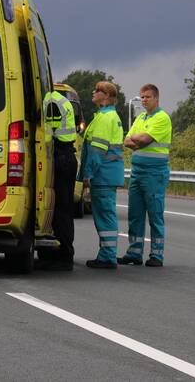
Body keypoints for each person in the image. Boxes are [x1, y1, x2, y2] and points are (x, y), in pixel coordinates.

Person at [119, 83, 172, 267]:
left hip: (155, 172)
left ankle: (157, 255)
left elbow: (144, 139)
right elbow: (127, 139)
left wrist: (137, 139)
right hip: (137, 172)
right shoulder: (140, 118)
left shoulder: (162, 118)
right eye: (142, 97)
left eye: (147, 97)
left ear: (156, 98)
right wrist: (136, 140)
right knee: (135, 214)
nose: (144, 100)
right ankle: (134, 253)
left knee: (155, 214)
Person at [78, 81, 124, 269]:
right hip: (107, 173)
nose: (93, 92)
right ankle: (106, 254)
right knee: (105, 214)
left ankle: (107, 256)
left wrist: (88, 174)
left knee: (105, 215)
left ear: (106, 96)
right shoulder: (106, 116)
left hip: (103, 174)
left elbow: (97, 152)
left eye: (97, 90)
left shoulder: (105, 119)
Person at [43, 87, 78, 270]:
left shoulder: (48, 101)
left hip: (59, 155)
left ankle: (64, 255)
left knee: (60, 208)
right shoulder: (59, 99)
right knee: (62, 208)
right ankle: (60, 252)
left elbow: (47, 131)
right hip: (65, 154)